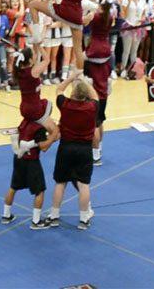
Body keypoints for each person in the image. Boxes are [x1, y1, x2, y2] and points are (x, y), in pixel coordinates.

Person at [47, 70, 98, 230]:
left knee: (60, 182)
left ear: (73, 93)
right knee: (83, 184)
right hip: (84, 149)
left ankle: (54, 215)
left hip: (66, 147)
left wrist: (71, 77)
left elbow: (59, 90)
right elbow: (96, 96)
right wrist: (85, 82)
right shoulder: (92, 107)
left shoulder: (65, 105)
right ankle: (84, 219)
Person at [2, 112, 59, 230]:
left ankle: (6, 215)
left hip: (18, 158)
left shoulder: (25, 120)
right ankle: (36, 221)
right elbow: (44, 147)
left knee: (14, 187)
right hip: (31, 161)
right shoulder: (39, 127)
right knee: (40, 190)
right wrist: (53, 137)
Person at [83, 0, 113, 165]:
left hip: (95, 48)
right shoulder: (110, 16)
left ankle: (95, 155)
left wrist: (87, 10)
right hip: (105, 48)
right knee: (100, 121)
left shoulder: (95, 15)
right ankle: (99, 147)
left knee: (93, 124)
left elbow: (82, 22)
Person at [14, 47, 55, 132]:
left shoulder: (20, 71)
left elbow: (35, 61)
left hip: (24, 108)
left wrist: (36, 44)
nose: (36, 55)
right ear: (30, 60)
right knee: (56, 132)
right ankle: (36, 136)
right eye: (34, 55)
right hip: (35, 109)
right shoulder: (33, 71)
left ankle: (30, 129)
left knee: (45, 104)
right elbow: (47, 59)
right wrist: (39, 45)